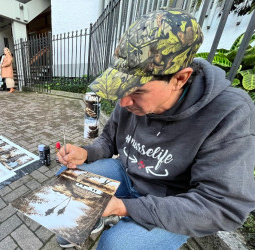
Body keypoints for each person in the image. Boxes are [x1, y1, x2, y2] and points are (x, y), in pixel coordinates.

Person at [56, 9, 255, 249]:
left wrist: (124, 207)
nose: (124, 102)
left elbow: (221, 206)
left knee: (115, 245)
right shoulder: (129, 101)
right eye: (122, 88)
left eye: (138, 91)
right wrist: (86, 153)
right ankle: (86, 224)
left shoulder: (228, 111)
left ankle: (117, 223)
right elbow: (110, 139)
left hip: (172, 200)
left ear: (180, 79)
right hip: (126, 174)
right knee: (66, 180)